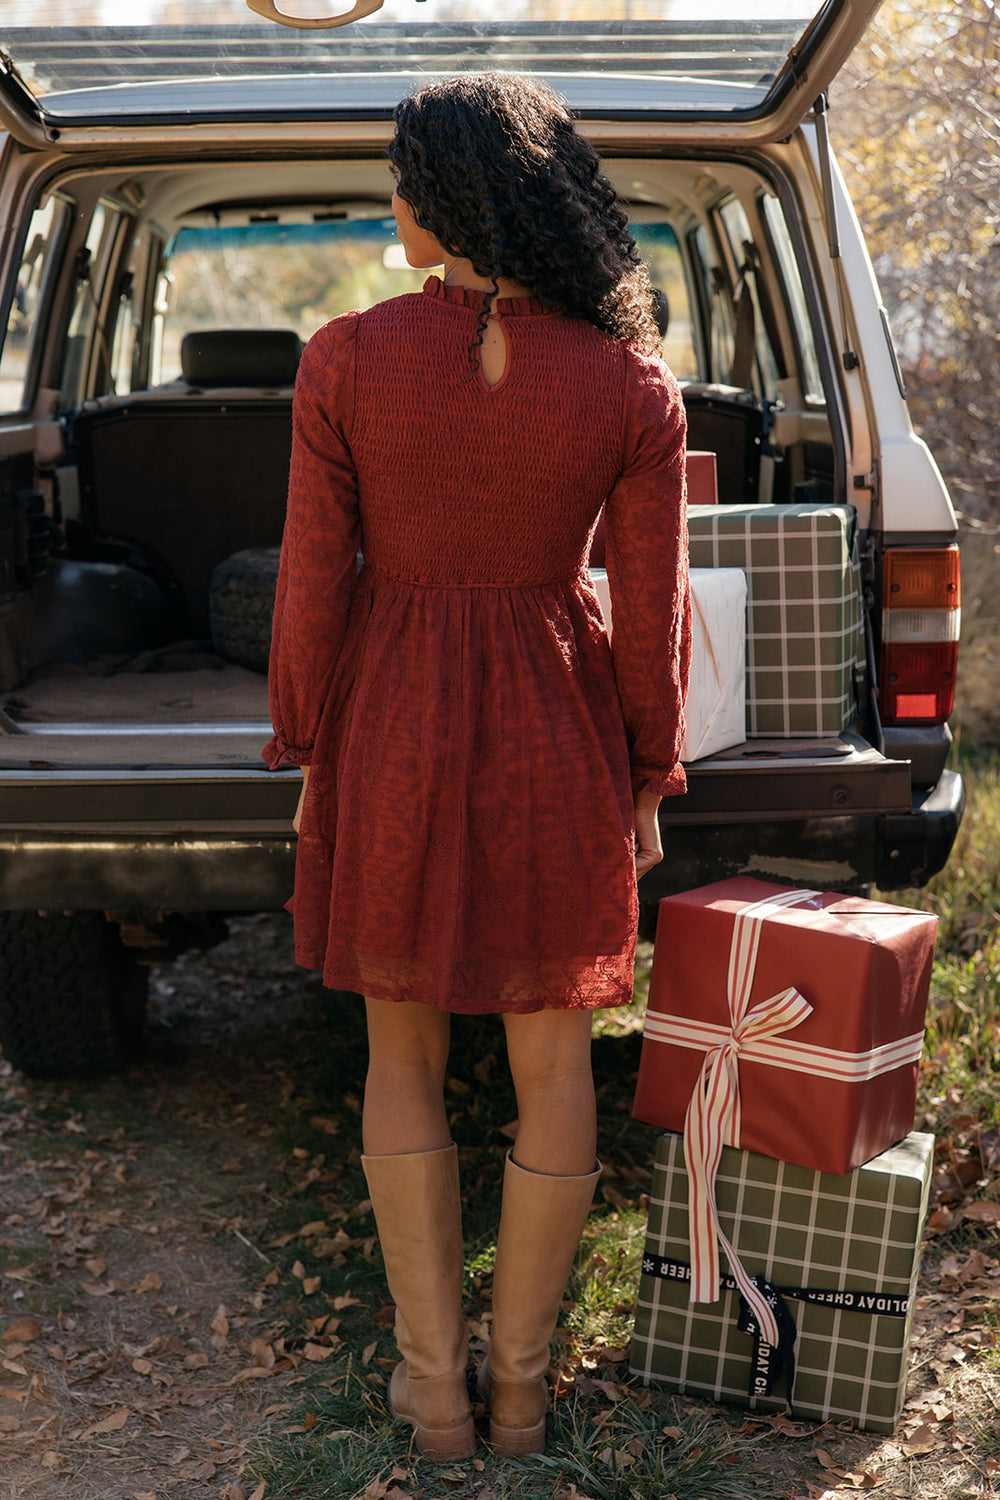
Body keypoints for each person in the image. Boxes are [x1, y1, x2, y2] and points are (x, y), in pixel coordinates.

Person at [263, 71, 690, 1460]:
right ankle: (521, 1395)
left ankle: (432, 1393)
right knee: (554, 1059)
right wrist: (649, 770)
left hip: (390, 715)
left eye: (402, 179)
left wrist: (306, 742)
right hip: (558, 725)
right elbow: (652, 609)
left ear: (445, 199)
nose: (390, 203)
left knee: (401, 1043)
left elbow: (312, 584)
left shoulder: (344, 359)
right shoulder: (629, 383)